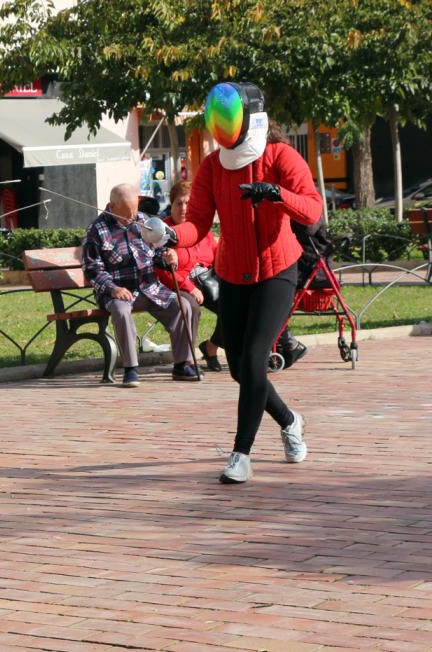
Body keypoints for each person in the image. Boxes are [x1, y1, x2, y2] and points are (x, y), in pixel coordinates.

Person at [144, 82, 322, 483]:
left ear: (251, 117)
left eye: (229, 119)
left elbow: (312, 211)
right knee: (241, 368)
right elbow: (199, 224)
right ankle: (291, 420)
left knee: (255, 358)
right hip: (233, 273)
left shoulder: (281, 156)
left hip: (278, 271)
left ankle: (241, 454)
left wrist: (277, 194)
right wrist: (169, 234)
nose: (222, 128)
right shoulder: (211, 166)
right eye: (217, 121)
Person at [82, 183, 199, 388]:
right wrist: (113, 289)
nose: (132, 218)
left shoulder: (144, 221)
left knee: (183, 305)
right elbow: (92, 269)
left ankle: (182, 364)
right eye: (127, 214)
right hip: (117, 291)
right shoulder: (97, 230)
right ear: (112, 206)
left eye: (135, 211)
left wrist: (167, 257)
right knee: (120, 309)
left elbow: (156, 254)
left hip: (148, 287)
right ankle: (131, 369)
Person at [156, 180, 225, 372]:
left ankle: (211, 347)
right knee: (190, 306)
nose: (184, 208)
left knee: (234, 304)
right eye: (179, 203)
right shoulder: (164, 232)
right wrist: (190, 287)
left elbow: (217, 256)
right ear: (172, 205)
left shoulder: (201, 229)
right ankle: (188, 360)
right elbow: (162, 272)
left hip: (208, 281)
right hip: (178, 285)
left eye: (188, 203)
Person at [273, 213, 336, 369]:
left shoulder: (308, 209)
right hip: (306, 267)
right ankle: (286, 343)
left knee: (274, 302)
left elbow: (307, 228)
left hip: (307, 270)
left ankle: (287, 343)